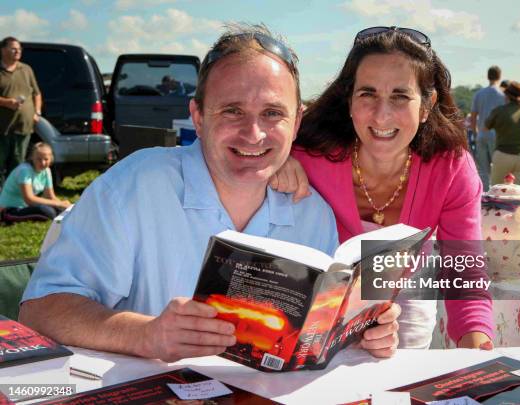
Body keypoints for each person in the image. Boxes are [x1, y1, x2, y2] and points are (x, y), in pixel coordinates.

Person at [19, 25, 400, 362]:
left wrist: (360, 335)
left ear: (297, 121)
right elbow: (39, 310)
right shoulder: (137, 184)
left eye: (272, 113)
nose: (253, 134)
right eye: (232, 111)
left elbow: (310, 341)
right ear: (198, 117)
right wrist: (145, 335)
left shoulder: (311, 212)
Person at [274, 26, 494, 349]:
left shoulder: (451, 168)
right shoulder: (309, 153)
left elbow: (465, 275)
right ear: (349, 100)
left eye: (400, 96)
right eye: (368, 94)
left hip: (405, 305)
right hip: (320, 308)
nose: (382, 114)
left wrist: (480, 356)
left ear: (427, 105)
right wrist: (278, 161)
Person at [0, 36, 42, 186]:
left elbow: (36, 93)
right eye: (13, 48)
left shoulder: (26, 69)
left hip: (23, 127)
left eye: (19, 48)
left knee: (18, 165)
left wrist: (37, 112)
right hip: (2, 129)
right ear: (3, 50)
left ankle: (14, 201)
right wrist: (7, 102)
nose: (17, 51)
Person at [485, 81, 520, 187]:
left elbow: (485, 127)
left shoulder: (499, 111)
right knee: (519, 193)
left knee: (496, 190)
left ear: (506, 95)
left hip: (503, 154)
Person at [0, 142, 70, 223]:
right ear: (32, 157)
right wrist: (59, 204)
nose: (43, 163)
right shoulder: (24, 170)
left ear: (51, 159)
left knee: (58, 210)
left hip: (26, 207)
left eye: (46, 159)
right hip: (10, 209)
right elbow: (29, 199)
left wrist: (63, 206)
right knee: (49, 212)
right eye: (39, 159)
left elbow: (50, 196)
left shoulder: (46, 170)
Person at [470, 66, 505, 191]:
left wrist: (475, 133)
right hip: (497, 136)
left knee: (483, 169)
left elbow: (473, 116)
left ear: (487, 76)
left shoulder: (479, 94)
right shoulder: (503, 95)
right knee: (497, 168)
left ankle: (485, 194)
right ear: (500, 76)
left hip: (481, 135)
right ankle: (497, 192)